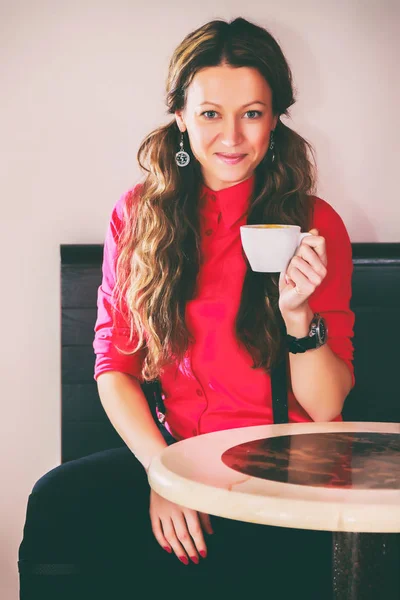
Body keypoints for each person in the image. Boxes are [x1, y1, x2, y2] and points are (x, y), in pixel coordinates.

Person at [18, 16, 355, 600]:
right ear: (179, 116)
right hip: (178, 454)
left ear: (275, 120)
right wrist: (163, 472)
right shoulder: (137, 217)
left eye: (252, 112)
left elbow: (326, 406)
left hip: (285, 469)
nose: (232, 136)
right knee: (57, 504)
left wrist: (299, 318)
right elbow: (114, 368)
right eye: (209, 114)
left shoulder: (314, 224)